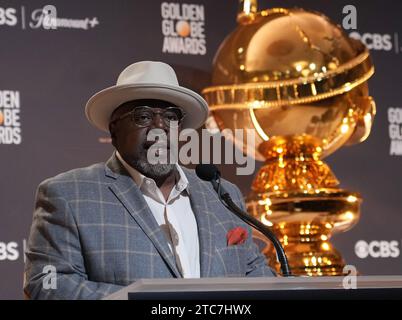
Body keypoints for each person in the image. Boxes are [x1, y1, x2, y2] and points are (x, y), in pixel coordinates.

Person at [24, 61, 275, 300]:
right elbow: (47, 283)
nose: (160, 126)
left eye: (171, 116)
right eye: (143, 116)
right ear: (114, 130)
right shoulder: (69, 194)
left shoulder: (221, 194)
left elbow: (254, 273)